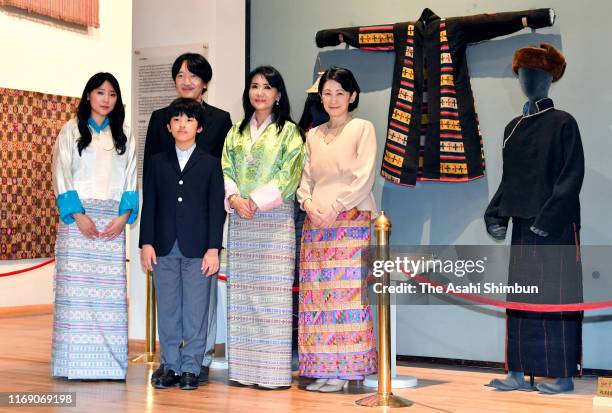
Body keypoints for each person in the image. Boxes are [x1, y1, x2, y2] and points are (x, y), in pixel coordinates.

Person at [485, 44, 583, 394]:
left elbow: (571, 177)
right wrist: (496, 213)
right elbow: (510, 179)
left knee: (556, 299)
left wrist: (551, 216)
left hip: (554, 227)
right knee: (521, 299)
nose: (527, 79)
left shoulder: (563, 123)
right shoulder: (514, 127)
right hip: (525, 226)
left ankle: (562, 375)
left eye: (535, 74)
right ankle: (517, 371)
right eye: (522, 73)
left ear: (549, 78)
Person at [145, 53, 231, 385]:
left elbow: (218, 192)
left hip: (199, 236)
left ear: (205, 81)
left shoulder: (220, 123)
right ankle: (171, 364)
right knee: (168, 307)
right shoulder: (159, 125)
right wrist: (147, 239)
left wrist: (214, 245)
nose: (186, 80)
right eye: (180, 74)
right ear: (169, 125)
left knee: (198, 306)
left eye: (193, 75)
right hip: (166, 237)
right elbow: (151, 186)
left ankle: (195, 363)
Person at [51, 72, 138, 380]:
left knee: (110, 298)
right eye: (100, 92)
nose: (106, 99)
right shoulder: (70, 131)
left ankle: (110, 365)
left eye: (112, 94)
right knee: (76, 295)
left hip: (111, 226)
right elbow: (61, 173)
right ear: (88, 95)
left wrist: (123, 217)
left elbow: (131, 178)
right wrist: (78, 215)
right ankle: (72, 363)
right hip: (78, 225)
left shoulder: (124, 135)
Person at [223, 65, 305, 389]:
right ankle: (243, 371)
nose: (260, 92)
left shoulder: (290, 132)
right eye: (255, 86)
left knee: (273, 299)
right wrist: (235, 198)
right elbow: (226, 167)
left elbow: (289, 175)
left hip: (273, 222)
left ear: (278, 94)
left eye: (267, 87)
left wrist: (255, 201)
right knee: (242, 297)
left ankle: (271, 374)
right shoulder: (236, 131)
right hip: (241, 222)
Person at [296, 66, 378, 392]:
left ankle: (349, 371)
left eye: (340, 93)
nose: (333, 99)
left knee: (347, 297)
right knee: (317, 299)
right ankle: (324, 369)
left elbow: (364, 176)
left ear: (352, 96)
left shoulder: (362, 128)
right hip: (316, 223)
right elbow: (304, 180)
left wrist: (337, 206)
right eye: (327, 93)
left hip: (351, 219)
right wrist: (308, 205)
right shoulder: (312, 135)